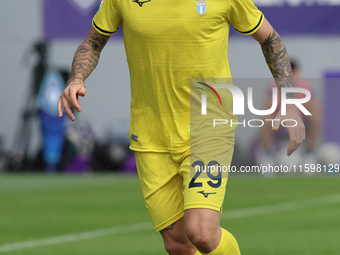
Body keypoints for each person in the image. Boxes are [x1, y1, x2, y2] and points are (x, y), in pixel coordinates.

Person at [57, 0, 305, 254]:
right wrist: (76, 78)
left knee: (202, 233)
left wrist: (288, 99)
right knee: (178, 244)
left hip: (208, 127)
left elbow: (271, 39)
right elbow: (93, 41)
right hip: (150, 135)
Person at [257, 60, 321, 167]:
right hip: (279, 119)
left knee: (315, 117)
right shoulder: (274, 87)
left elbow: (314, 106)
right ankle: (267, 154)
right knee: (265, 118)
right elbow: (268, 106)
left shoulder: (306, 87)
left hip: (301, 119)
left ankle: (310, 153)